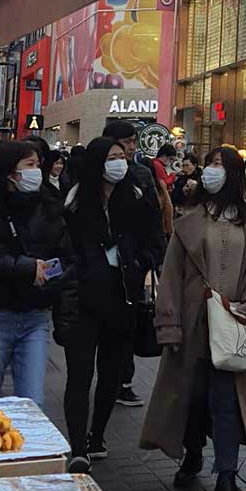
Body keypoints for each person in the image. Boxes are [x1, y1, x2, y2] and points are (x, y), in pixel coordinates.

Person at [140, 146, 246, 491]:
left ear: (234, 173)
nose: (212, 171)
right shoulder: (190, 219)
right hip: (193, 323)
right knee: (194, 399)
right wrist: (168, 324)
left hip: (231, 326)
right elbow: (170, 277)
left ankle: (226, 480)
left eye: (219, 165)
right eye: (209, 164)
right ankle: (193, 454)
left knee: (227, 404)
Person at [59, 137, 160, 472]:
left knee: (111, 374)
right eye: (112, 157)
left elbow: (155, 243)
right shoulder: (75, 200)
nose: (120, 162)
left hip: (123, 298)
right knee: (79, 374)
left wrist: (138, 263)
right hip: (83, 300)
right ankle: (77, 447)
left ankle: (96, 436)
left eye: (122, 156)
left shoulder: (135, 196)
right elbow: (62, 247)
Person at [0, 140, 74, 405]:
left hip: (35, 318)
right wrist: (26, 268)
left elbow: (67, 256)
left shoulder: (49, 208)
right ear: (10, 172)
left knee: (32, 404)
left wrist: (49, 274)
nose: (36, 172)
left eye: (38, 165)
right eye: (29, 165)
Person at [102, 119, 166, 407]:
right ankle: (108, 376)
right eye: (125, 142)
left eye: (131, 142)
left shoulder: (142, 172)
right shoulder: (92, 172)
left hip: (133, 265)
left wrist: (152, 258)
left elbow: (154, 215)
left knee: (129, 320)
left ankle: (123, 380)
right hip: (99, 267)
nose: (130, 147)